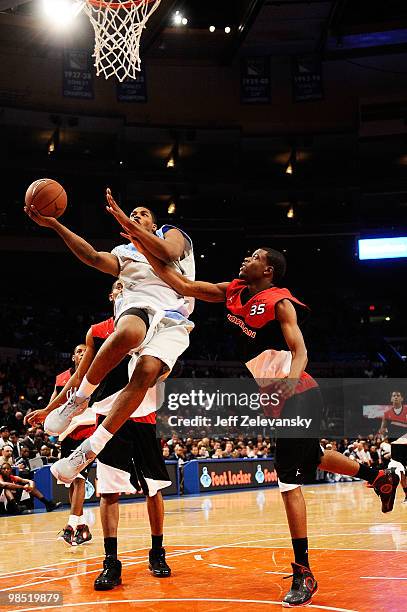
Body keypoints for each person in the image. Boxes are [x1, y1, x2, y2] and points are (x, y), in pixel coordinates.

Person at [129, 241, 400, 607]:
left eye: (254, 257)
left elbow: (300, 349)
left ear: (268, 269)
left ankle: (304, 570)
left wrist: (289, 383)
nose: (245, 258)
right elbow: (185, 286)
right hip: (274, 396)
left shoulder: (280, 301)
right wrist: (144, 254)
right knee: (314, 458)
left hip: (298, 393)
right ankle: (379, 478)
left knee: (287, 479)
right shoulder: (235, 291)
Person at [24, 190, 194, 484]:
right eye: (133, 214)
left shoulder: (172, 234)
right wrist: (54, 225)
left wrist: (135, 231)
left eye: (143, 214)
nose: (136, 216)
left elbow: (168, 254)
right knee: (129, 331)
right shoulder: (124, 252)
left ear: (154, 225)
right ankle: (79, 400)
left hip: (174, 317)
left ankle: (90, 449)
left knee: (147, 372)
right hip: (138, 304)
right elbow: (90, 256)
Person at [27, 280, 172, 586]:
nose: (125, 289)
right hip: (108, 420)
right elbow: (79, 377)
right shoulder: (97, 331)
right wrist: (50, 409)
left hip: (144, 417)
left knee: (153, 489)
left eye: (130, 286)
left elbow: (166, 366)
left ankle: (157, 552)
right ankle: (111, 562)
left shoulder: (157, 320)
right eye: (119, 286)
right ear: (112, 295)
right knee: (109, 491)